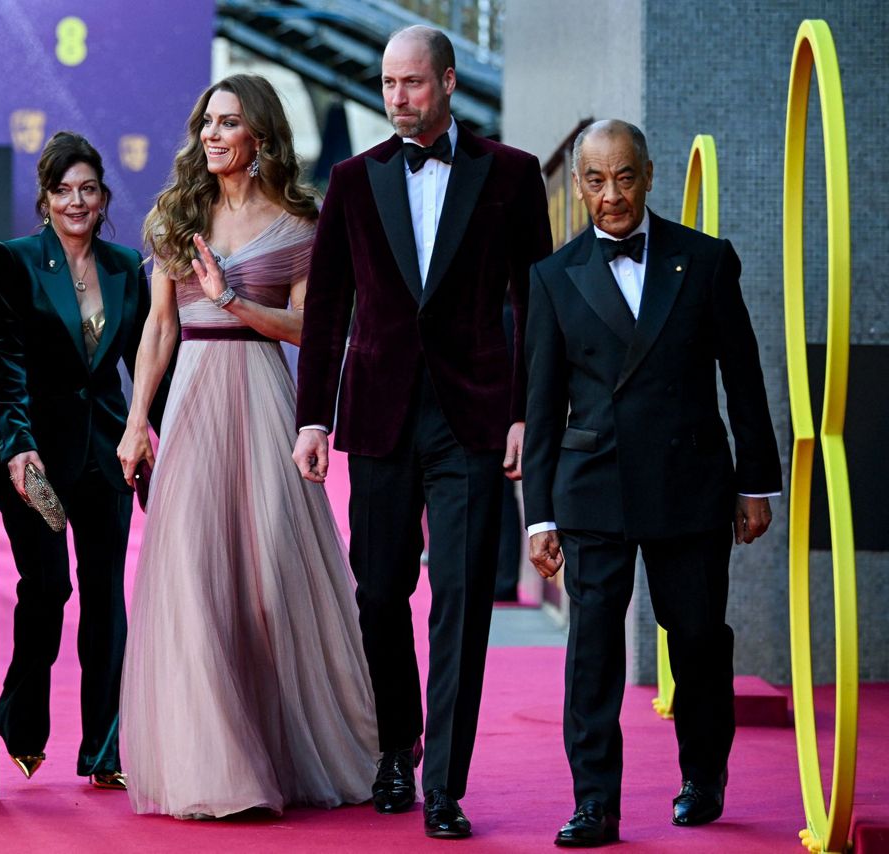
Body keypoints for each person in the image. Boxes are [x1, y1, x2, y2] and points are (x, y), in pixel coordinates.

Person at [293, 25, 552, 839]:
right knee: (378, 593)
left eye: (411, 82)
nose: (397, 97)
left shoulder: (511, 175)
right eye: (387, 83)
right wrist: (312, 416)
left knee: (463, 599)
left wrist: (525, 412)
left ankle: (443, 782)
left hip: (473, 416)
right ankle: (395, 747)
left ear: (446, 81)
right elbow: (327, 306)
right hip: (379, 413)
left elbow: (534, 303)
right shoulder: (352, 179)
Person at [117, 73, 377, 819]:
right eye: (207, 121)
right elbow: (160, 328)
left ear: (260, 135)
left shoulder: (300, 224)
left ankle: (290, 748)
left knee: (269, 581)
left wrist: (233, 300)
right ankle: (215, 768)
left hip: (262, 396)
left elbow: (313, 329)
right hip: (191, 399)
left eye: (228, 122)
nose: (212, 133)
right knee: (193, 578)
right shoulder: (177, 214)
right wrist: (137, 420)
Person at [521, 120, 781, 847]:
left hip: (688, 483)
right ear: (579, 188)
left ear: (649, 175)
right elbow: (541, 405)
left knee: (697, 638)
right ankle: (594, 804)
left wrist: (757, 482)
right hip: (593, 488)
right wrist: (539, 515)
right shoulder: (553, 276)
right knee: (593, 651)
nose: (611, 195)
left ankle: (703, 775)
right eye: (596, 180)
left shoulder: (705, 260)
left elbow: (743, 377)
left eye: (624, 177)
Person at [0, 130, 161, 788]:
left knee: (105, 596)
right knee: (48, 586)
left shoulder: (125, 266)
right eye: (63, 190)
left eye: (88, 189)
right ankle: (22, 722)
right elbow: (4, 364)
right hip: (35, 460)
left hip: (107, 456)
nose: (76, 201)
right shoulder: (15, 261)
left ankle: (104, 751)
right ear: (45, 198)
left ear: (104, 196)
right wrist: (16, 445)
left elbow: (145, 366)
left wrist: (156, 433)